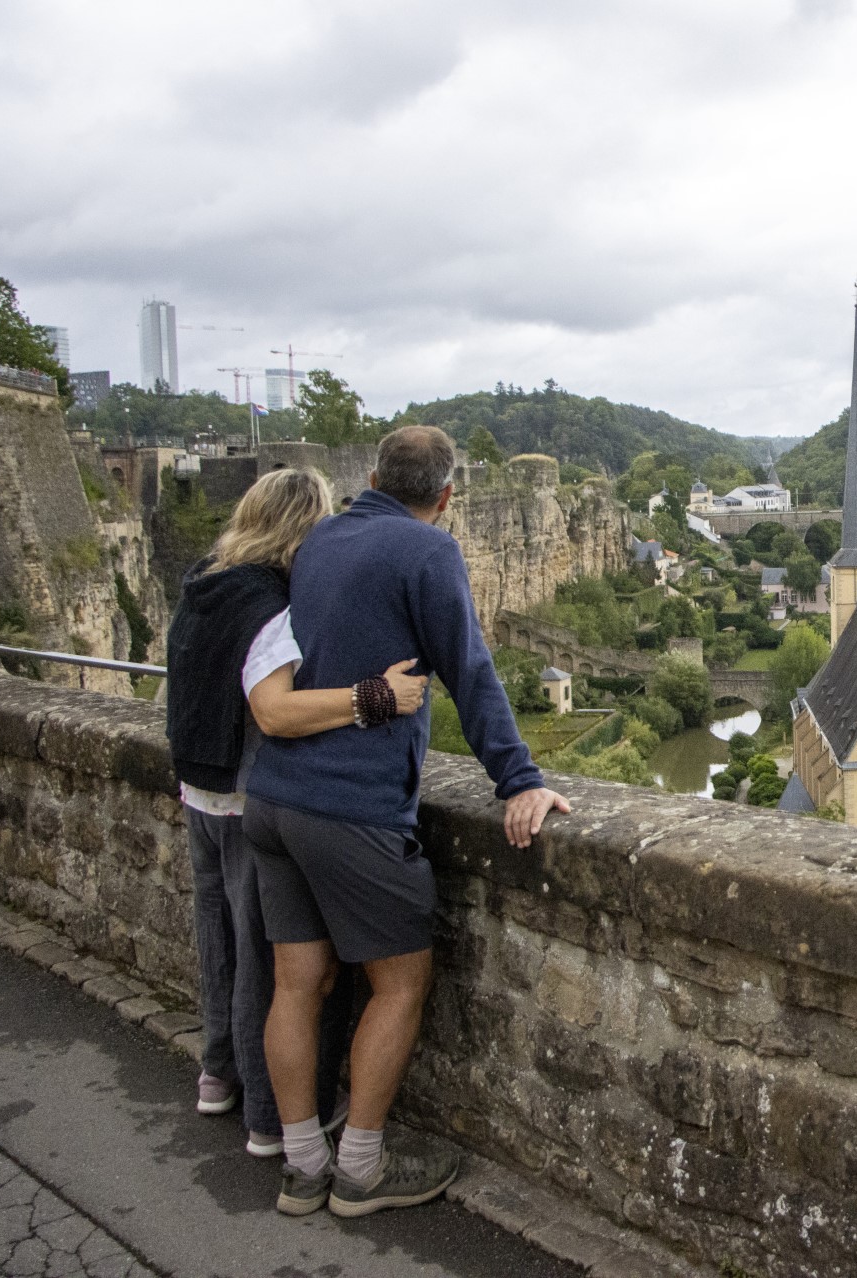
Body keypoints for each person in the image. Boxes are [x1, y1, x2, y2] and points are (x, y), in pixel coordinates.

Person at [246, 425, 570, 1219]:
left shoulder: (320, 538)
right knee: (400, 983)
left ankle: (300, 1166)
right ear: (447, 495)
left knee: (298, 985)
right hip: (351, 806)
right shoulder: (429, 551)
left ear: (370, 477)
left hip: (274, 798)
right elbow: (469, 669)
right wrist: (518, 779)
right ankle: (359, 1171)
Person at [164, 468, 428, 1158]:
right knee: (271, 966)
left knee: (219, 941)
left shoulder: (205, 580)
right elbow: (275, 710)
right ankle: (268, 1121)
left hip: (199, 788)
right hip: (252, 791)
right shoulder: (268, 602)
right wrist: (375, 697)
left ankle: (218, 1073)